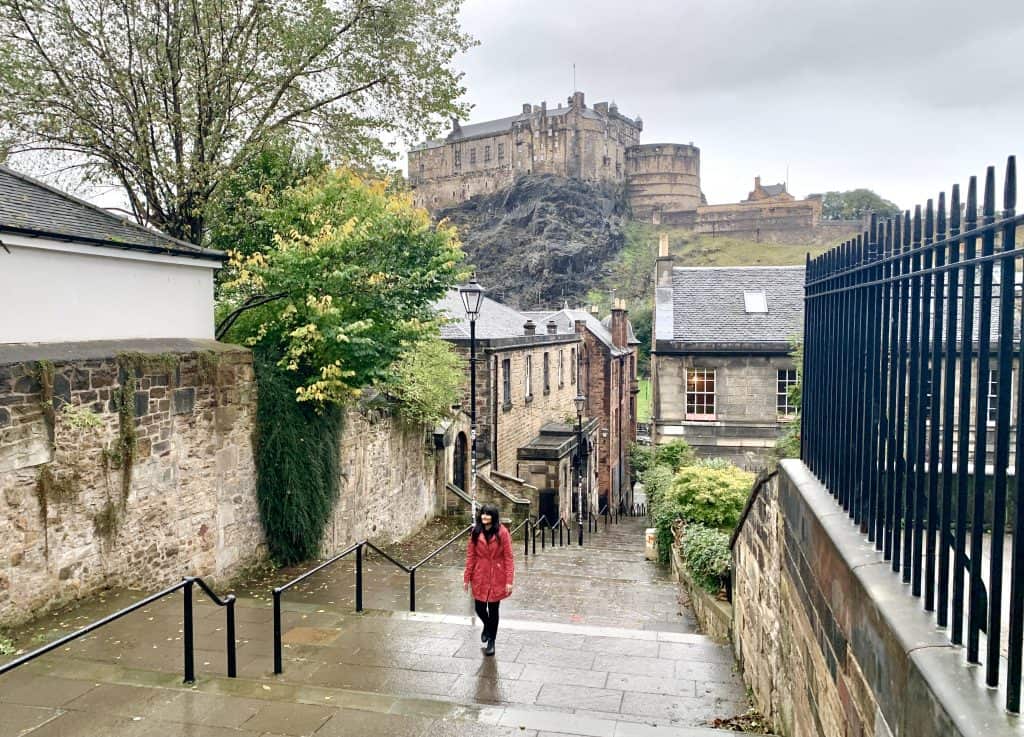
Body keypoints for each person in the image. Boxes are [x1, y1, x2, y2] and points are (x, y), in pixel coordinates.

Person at [463, 504, 514, 656]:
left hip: (497, 575)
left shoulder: (502, 532)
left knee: (493, 610)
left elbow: (509, 557)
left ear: (494, 516)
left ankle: (491, 642)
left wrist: (509, 580)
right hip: (479, 574)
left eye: (488, 514)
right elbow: (471, 556)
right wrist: (467, 577)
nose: (484, 517)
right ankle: (487, 625)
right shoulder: (475, 532)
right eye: (483, 514)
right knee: (479, 608)